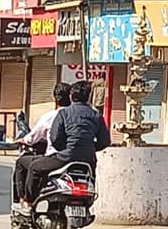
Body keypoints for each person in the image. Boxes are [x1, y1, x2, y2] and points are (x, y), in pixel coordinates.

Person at [15, 80, 106, 209]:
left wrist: (65, 149)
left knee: (34, 168)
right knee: (89, 177)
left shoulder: (64, 114)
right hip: (88, 159)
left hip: (64, 158)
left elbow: (55, 138)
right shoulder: (96, 115)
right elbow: (105, 141)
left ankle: (29, 202)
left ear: (72, 97)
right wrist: (89, 148)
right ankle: (88, 203)